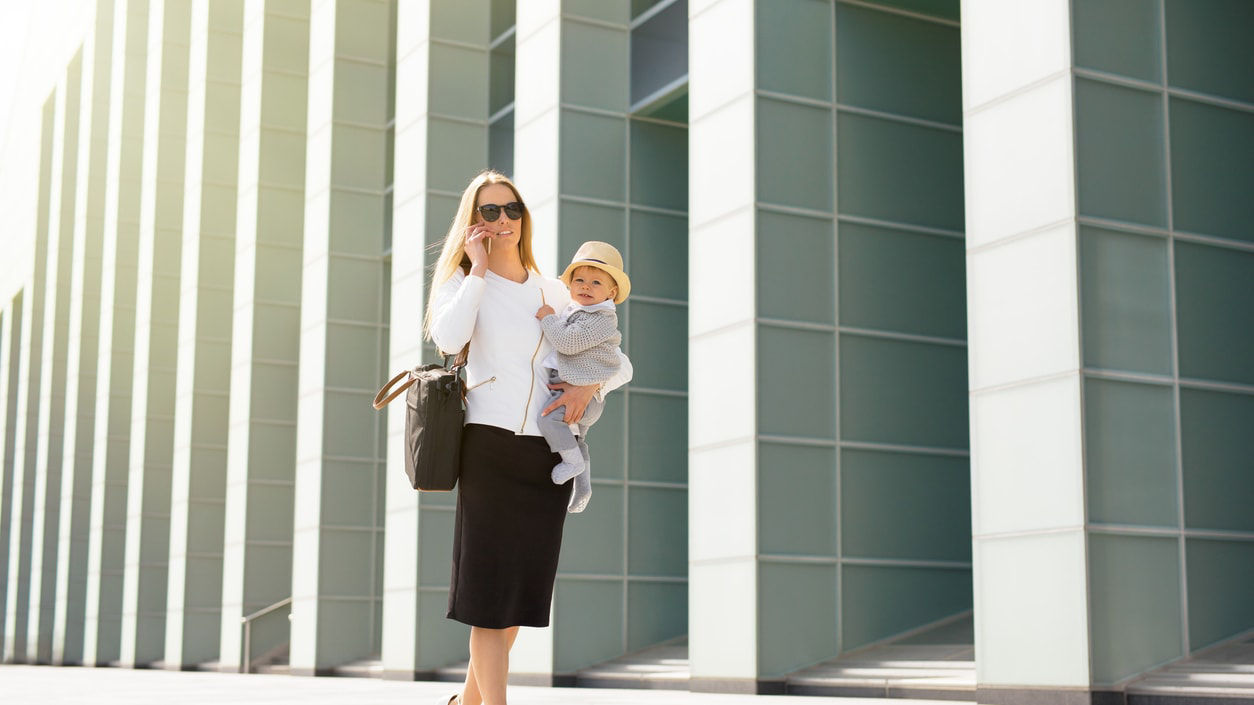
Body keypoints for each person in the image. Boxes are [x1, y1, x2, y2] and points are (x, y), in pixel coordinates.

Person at [425, 170, 632, 705]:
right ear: (473, 222)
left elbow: (617, 361)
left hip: (545, 457)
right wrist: (477, 271)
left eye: (511, 210)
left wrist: (587, 388)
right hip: (488, 449)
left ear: (524, 218)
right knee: (488, 596)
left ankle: (467, 704)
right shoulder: (461, 282)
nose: (503, 221)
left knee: (517, 596)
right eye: (489, 211)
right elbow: (448, 338)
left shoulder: (556, 290)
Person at [533, 241, 631, 514]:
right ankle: (583, 487)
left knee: (549, 420)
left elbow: (568, 342)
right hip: (577, 393)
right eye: (580, 280)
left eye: (596, 282)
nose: (586, 286)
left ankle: (573, 465)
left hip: (586, 398)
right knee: (578, 442)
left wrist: (548, 319)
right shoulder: (579, 310)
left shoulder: (602, 318)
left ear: (611, 293)